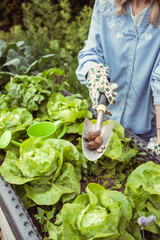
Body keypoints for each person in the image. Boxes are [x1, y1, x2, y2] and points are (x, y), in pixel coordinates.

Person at [76, 0, 160, 154]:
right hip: (105, 119)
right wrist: (95, 72)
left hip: (145, 130)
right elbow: (92, 50)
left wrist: (159, 139)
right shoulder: (105, 4)